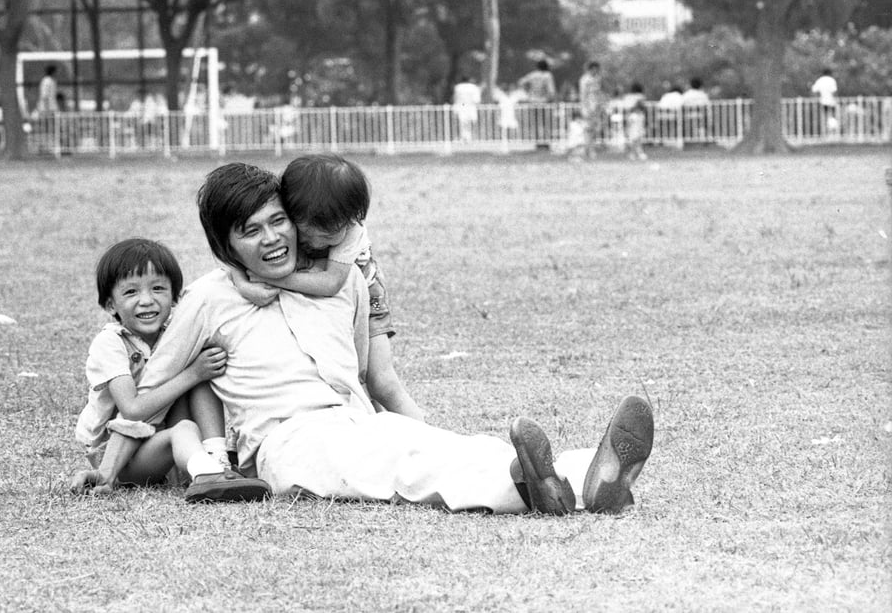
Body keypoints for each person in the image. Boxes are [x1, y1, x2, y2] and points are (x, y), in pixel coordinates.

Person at [136, 162, 655, 516]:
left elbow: (367, 372)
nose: (272, 238)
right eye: (252, 231)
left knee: (429, 443)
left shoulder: (344, 283)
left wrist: (397, 418)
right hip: (286, 442)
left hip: (357, 418)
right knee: (399, 464)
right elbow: (145, 397)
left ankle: (584, 475)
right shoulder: (208, 299)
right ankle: (528, 486)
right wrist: (192, 394)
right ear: (224, 245)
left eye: (278, 222)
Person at [70, 238, 271, 503]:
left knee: (200, 368)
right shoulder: (110, 343)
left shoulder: (175, 332)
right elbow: (132, 410)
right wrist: (193, 374)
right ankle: (208, 474)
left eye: (158, 288)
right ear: (110, 305)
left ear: (175, 297)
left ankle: (217, 458)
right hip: (123, 458)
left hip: (164, 441)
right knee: (186, 415)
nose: (146, 301)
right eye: (131, 292)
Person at [230, 153, 425, 421]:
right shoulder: (285, 220)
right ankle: (379, 430)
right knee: (352, 382)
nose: (318, 243)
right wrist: (242, 282)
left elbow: (331, 282)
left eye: (331, 234)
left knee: (380, 381)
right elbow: (232, 255)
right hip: (328, 306)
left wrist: (270, 278)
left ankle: (428, 435)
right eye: (308, 234)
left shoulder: (351, 230)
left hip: (367, 299)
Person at [518, 59, 557, 149]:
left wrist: (528, 92)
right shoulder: (547, 75)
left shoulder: (532, 75)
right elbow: (551, 90)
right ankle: (546, 141)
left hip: (532, 101)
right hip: (544, 101)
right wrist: (551, 98)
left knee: (535, 122)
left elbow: (521, 82)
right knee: (546, 122)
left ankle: (537, 141)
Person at [578, 61, 605, 160]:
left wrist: (600, 106)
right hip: (588, 107)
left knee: (594, 130)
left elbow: (599, 93)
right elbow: (583, 94)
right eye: (594, 69)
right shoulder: (585, 79)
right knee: (587, 129)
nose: (596, 71)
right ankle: (587, 150)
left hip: (596, 107)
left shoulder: (597, 79)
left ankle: (590, 150)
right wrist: (586, 108)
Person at [622, 83, 648, 161]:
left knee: (635, 140)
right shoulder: (640, 97)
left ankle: (635, 154)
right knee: (636, 140)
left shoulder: (627, 97)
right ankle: (637, 153)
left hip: (633, 123)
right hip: (636, 124)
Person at [680, 77, 710, 142]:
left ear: (690, 85)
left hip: (687, 116)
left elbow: (681, 105)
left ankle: (687, 139)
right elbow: (707, 107)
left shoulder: (686, 95)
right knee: (702, 125)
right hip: (700, 116)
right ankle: (702, 139)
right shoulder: (703, 95)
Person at [452, 77, 482, 143]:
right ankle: (469, 138)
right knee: (471, 123)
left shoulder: (458, 87)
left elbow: (455, 98)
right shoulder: (474, 87)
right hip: (471, 107)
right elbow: (477, 100)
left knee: (461, 123)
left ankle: (462, 137)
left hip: (461, 106)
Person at [811, 68, 839, 136]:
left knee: (825, 118)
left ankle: (825, 133)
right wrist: (836, 100)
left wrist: (817, 98)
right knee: (832, 117)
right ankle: (832, 132)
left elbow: (814, 90)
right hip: (831, 101)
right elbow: (834, 91)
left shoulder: (820, 80)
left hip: (822, 102)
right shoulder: (831, 80)